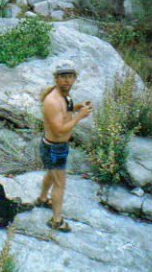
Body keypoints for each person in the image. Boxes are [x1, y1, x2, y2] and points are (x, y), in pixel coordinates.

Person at [35, 61, 92, 232]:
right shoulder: (52, 101)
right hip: (54, 147)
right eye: (63, 77)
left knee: (52, 176)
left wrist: (76, 107)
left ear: (74, 78)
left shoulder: (65, 95)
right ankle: (56, 220)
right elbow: (59, 130)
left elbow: (65, 110)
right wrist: (79, 116)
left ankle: (43, 198)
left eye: (70, 76)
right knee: (60, 184)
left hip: (57, 147)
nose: (67, 80)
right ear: (56, 78)